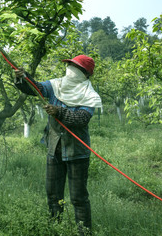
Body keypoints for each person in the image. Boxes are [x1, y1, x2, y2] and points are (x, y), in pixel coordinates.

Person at [14, 55, 102, 235]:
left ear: (85, 74)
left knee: (78, 197)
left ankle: (84, 232)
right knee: (53, 195)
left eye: (75, 67)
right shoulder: (56, 85)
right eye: (69, 65)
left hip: (77, 152)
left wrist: (59, 111)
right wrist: (23, 77)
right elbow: (36, 88)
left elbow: (81, 119)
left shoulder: (89, 95)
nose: (70, 69)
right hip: (54, 149)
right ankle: (55, 229)